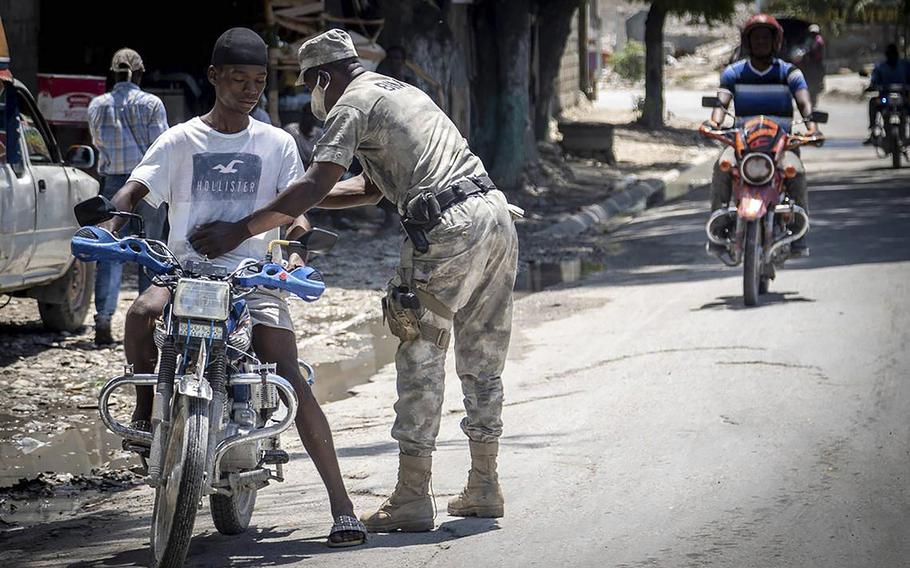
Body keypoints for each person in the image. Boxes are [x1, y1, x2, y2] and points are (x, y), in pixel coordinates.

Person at [188, 29, 520, 533]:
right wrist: (291, 199)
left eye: (312, 85)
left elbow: (319, 179)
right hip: (495, 218)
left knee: (421, 354)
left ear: (323, 77)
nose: (315, 97)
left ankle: (412, 496)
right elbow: (368, 187)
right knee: (482, 358)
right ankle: (484, 485)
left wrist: (242, 227)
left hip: (446, 230)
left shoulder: (352, 104)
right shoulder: (404, 93)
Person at [100, 28, 366, 548]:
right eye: (238, 79)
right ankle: (142, 409)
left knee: (287, 370)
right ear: (214, 77)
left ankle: (342, 506)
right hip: (182, 271)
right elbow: (135, 187)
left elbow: (298, 216)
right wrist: (113, 221)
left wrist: (294, 248)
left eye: (258, 81)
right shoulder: (179, 139)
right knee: (138, 315)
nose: (249, 89)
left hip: (251, 279)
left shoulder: (278, 143)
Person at [706, 14, 817, 257]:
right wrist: (714, 123)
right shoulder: (733, 73)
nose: (760, 42)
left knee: (796, 172)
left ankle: (800, 236)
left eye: (766, 37)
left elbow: (804, 103)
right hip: (742, 145)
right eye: (755, 37)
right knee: (721, 166)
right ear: (747, 41)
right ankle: (719, 229)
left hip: (782, 146)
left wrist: (811, 127)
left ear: (775, 41)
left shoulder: (790, 73)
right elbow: (721, 103)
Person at [87, 48, 169, 345]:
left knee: (109, 254)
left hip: (111, 186)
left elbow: (96, 142)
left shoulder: (97, 105)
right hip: (146, 185)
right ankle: (146, 320)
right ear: (140, 73)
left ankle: (103, 320)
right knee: (149, 252)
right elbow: (162, 149)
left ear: (114, 72)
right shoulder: (151, 103)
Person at [864, 44, 910, 145]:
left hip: (903, 98)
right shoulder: (881, 67)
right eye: (890, 54)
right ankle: (873, 129)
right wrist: (871, 86)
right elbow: (874, 80)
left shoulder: (905, 65)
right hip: (885, 98)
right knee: (873, 102)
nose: (892, 56)